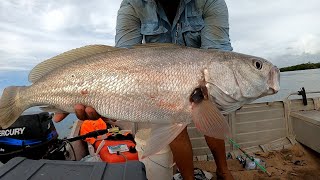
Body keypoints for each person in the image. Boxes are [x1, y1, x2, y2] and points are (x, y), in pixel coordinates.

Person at [55, 0, 234, 179]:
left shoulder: (211, 2)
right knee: (173, 121)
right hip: (157, 81)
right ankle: (188, 178)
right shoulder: (132, 5)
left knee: (213, 107)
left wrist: (223, 89)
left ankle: (223, 171)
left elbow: (218, 53)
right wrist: (107, 98)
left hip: (198, 76)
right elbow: (122, 59)